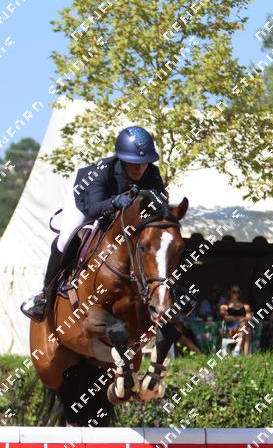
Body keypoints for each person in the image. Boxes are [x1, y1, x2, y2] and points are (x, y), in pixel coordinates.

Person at [21, 126, 166, 322]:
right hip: (86, 201)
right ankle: (45, 295)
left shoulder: (153, 173)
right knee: (65, 239)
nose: (140, 168)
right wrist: (114, 203)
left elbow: (161, 206)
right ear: (122, 159)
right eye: (134, 163)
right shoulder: (100, 173)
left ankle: (168, 291)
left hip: (120, 214)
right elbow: (93, 209)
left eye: (144, 163)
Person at [219, 285, 253, 355]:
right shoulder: (224, 305)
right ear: (229, 293)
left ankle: (239, 351)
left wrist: (234, 318)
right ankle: (241, 353)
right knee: (247, 329)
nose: (236, 293)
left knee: (247, 329)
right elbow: (225, 317)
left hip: (242, 328)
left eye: (238, 292)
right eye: (233, 291)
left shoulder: (245, 305)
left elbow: (249, 317)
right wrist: (240, 318)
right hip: (230, 329)